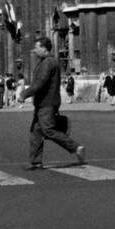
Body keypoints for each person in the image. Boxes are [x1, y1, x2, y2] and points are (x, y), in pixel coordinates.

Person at [23, 37, 85, 170]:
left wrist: (24, 94)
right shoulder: (47, 61)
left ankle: (76, 147)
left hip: (47, 103)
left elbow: (40, 82)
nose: (34, 50)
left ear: (44, 49)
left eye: (37, 47)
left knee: (49, 130)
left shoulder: (48, 63)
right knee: (36, 132)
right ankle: (36, 162)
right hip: (44, 103)